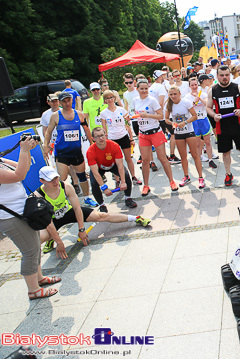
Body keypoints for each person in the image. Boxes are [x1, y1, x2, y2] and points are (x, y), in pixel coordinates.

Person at [37, 166, 150, 260]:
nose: (55, 181)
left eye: (56, 178)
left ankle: (136, 218)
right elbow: (47, 221)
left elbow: (77, 208)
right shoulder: (38, 195)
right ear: (42, 181)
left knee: (102, 216)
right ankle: (50, 240)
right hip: (52, 219)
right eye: (51, 180)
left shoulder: (65, 186)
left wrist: (82, 229)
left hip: (69, 212)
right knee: (41, 237)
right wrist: (59, 241)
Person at [0, 138, 61, 299]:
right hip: (10, 217)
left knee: (35, 247)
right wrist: (24, 150)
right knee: (30, 251)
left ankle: (39, 278)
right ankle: (33, 289)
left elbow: (22, 168)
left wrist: (25, 150)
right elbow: (19, 174)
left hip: (21, 212)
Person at [43, 91, 97, 207]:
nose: (67, 103)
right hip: (62, 152)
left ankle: (87, 198)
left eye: (69, 100)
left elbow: (86, 129)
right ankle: (63, 201)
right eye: (64, 101)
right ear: (60, 103)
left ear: (72, 100)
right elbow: (49, 131)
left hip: (76, 151)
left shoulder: (79, 114)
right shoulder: (56, 116)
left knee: (82, 175)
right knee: (62, 178)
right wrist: (45, 145)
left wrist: (92, 143)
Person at [206, 65, 240, 186]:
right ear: (217, 76)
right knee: (226, 152)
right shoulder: (213, 90)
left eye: (227, 75)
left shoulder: (237, 88)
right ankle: (228, 174)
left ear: (230, 75)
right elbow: (208, 107)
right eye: (222, 75)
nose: (224, 78)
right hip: (222, 127)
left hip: (238, 126)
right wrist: (214, 115)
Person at [133, 79, 178, 195]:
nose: (144, 91)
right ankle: (146, 185)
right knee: (145, 160)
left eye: (145, 88)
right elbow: (138, 115)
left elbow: (160, 116)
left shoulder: (152, 100)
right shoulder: (135, 100)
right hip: (143, 134)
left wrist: (147, 115)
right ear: (137, 89)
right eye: (141, 89)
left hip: (155, 132)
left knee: (162, 158)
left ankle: (172, 181)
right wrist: (131, 117)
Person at [86, 127, 137, 213]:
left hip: (113, 165)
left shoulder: (114, 145)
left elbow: (120, 165)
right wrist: (104, 187)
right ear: (93, 139)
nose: (101, 138)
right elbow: (95, 172)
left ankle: (128, 198)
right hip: (99, 168)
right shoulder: (90, 151)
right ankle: (102, 205)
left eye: (102, 135)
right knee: (94, 183)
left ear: (106, 135)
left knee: (126, 175)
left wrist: (123, 181)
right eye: (97, 136)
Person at [165, 85, 205, 189]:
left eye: (175, 94)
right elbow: (166, 119)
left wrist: (185, 122)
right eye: (171, 94)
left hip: (189, 132)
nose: (173, 96)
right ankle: (186, 176)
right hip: (178, 133)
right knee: (183, 157)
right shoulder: (169, 105)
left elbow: (195, 116)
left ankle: (200, 177)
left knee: (195, 155)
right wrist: (172, 123)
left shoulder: (185, 102)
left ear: (179, 94)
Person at [99, 90, 141, 186]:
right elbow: (104, 129)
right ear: (105, 100)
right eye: (107, 98)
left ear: (114, 98)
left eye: (111, 97)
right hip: (112, 139)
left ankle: (133, 177)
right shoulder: (104, 113)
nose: (110, 100)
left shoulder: (121, 110)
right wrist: (105, 141)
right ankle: (118, 180)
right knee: (115, 161)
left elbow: (127, 125)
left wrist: (131, 138)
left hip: (123, 136)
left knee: (128, 158)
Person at [189, 75, 218, 169]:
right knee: (197, 143)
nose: (194, 87)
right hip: (195, 121)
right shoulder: (187, 97)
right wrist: (194, 101)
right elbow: (188, 109)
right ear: (189, 86)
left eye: (195, 85)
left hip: (204, 120)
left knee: (208, 142)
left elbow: (207, 104)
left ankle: (210, 160)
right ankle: (199, 159)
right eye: (192, 85)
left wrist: (199, 98)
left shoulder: (203, 94)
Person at [122, 73, 141, 143]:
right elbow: (126, 107)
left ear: (134, 82)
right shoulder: (125, 94)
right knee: (138, 136)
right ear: (124, 83)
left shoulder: (139, 90)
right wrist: (126, 120)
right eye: (127, 83)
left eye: (130, 82)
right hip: (133, 118)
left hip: (142, 116)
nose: (129, 84)